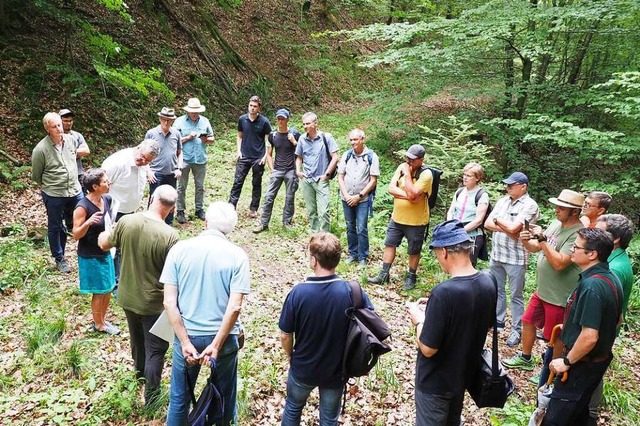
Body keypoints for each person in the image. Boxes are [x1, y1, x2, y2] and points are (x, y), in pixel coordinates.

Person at [162, 201, 250, 425]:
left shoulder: (179, 249)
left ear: (206, 221)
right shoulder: (238, 256)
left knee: (179, 398)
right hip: (224, 338)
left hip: (188, 335)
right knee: (225, 395)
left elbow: (169, 302)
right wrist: (217, 345)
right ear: (230, 227)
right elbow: (235, 307)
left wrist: (183, 341)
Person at [279, 232, 375, 426]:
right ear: (337, 260)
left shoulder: (298, 293)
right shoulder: (352, 291)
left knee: (293, 408)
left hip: (303, 368)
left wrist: (291, 355)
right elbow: (370, 322)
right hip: (335, 370)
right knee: (329, 419)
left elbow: (285, 335)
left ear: (314, 261)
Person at [406, 220, 496, 426]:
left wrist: (419, 319)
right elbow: (482, 320)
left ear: (444, 251)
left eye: (437, 253)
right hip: (462, 377)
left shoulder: (445, 292)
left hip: (435, 383)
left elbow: (428, 348)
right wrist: (438, 309)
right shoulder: (488, 281)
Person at [98, 185, 179, 407]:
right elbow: (174, 275)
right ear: (171, 210)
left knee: (137, 341)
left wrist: (106, 232)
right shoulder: (171, 236)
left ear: (152, 198)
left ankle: (138, 379)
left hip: (127, 297)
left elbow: (104, 244)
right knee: (156, 350)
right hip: (154, 303)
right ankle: (151, 400)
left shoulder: (127, 222)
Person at [543, 228, 622, 426]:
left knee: (557, 417)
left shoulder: (592, 287)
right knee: (578, 413)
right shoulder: (611, 278)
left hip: (580, 366)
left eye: (576, 247)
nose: (571, 249)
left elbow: (590, 336)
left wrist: (567, 362)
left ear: (592, 254)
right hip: (595, 362)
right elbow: (618, 319)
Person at [503, 189, 584, 376]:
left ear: (574, 212)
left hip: (559, 295)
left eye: (562, 208)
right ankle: (525, 357)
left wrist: (542, 240)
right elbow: (535, 247)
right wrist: (525, 240)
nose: (556, 210)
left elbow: (559, 263)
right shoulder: (556, 224)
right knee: (528, 321)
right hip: (543, 290)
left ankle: (551, 372)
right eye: (557, 206)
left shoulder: (578, 233)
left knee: (555, 337)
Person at [483, 171, 539, 347]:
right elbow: (487, 224)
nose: (507, 188)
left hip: (516, 256)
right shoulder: (503, 201)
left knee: (516, 294)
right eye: (507, 185)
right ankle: (498, 321)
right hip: (497, 253)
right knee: (497, 289)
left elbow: (516, 228)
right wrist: (508, 228)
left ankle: (517, 329)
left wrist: (499, 221)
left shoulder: (530, 205)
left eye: (511, 185)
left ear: (523, 187)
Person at [588, 214, 634, 422]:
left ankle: (590, 412)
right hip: (600, 332)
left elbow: (614, 314)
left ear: (614, 239)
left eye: (600, 230)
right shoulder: (614, 260)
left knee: (591, 370)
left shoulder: (613, 269)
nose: (594, 233)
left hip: (597, 333)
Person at [368, 144, 432, 290]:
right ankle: (384, 274)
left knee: (413, 250)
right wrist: (410, 196)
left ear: (421, 160)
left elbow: (412, 192)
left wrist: (408, 176)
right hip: (397, 218)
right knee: (389, 244)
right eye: (407, 158)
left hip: (416, 222)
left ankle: (411, 276)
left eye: (413, 160)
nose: (408, 161)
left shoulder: (426, 174)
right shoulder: (402, 167)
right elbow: (391, 188)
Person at [31, 112, 83, 273]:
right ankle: (59, 258)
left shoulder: (71, 140)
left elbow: (74, 160)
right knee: (56, 226)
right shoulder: (41, 149)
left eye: (59, 125)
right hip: (54, 193)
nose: (59, 129)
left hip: (75, 190)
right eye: (54, 126)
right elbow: (36, 176)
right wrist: (50, 186)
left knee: (83, 219)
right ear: (47, 129)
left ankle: (87, 254)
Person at [72, 168, 119, 335]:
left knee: (107, 288)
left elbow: (108, 221)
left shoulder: (106, 199)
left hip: (105, 251)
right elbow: (76, 235)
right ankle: (98, 324)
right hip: (90, 255)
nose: (109, 183)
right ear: (94, 186)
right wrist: (88, 223)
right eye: (105, 182)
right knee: (99, 291)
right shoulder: (82, 207)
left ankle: (102, 320)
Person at [253, 109, 301, 233]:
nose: (280, 121)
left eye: (283, 118)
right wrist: (272, 169)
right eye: (278, 118)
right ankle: (263, 223)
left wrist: (294, 142)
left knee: (289, 198)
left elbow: (302, 151)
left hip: (291, 170)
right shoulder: (272, 135)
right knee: (269, 197)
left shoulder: (294, 133)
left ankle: (287, 223)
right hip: (277, 170)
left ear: (288, 119)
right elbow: (269, 154)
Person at [336, 129, 379, 267]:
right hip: (346, 198)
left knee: (361, 227)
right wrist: (347, 195)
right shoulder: (346, 155)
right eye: (351, 140)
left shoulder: (371, 156)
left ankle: (363, 257)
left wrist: (358, 196)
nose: (353, 142)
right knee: (350, 226)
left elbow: (373, 181)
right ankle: (353, 254)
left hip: (363, 199)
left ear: (363, 139)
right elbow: (340, 176)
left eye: (356, 139)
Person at [295, 112, 339, 232]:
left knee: (324, 211)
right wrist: (298, 171)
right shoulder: (302, 139)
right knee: (311, 211)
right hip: (307, 179)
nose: (305, 126)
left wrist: (327, 175)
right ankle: (314, 236)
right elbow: (299, 157)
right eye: (303, 124)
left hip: (321, 180)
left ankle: (325, 238)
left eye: (308, 123)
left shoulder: (326, 137)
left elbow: (335, 157)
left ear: (315, 123)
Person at [229, 95, 272, 217]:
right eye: (250, 105)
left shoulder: (264, 122)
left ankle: (253, 209)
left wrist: (265, 156)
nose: (252, 108)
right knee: (237, 182)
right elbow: (239, 135)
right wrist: (238, 151)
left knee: (256, 183)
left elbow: (269, 140)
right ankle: (231, 206)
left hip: (258, 158)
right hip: (244, 156)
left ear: (259, 108)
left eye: (255, 106)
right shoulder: (242, 119)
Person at [173, 98, 215, 224]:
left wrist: (206, 140)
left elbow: (212, 137)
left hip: (200, 159)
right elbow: (174, 141)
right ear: (188, 111)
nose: (194, 113)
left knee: (200, 186)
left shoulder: (205, 121)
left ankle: (199, 209)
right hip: (184, 158)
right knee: (181, 187)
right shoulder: (179, 122)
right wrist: (188, 137)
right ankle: (180, 211)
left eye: (196, 111)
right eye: (192, 111)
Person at [101, 139, 160, 221]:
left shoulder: (142, 162)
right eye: (142, 156)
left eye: (148, 161)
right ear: (138, 147)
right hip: (114, 211)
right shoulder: (116, 163)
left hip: (131, 211)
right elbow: (99, 187)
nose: (143, 161)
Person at [446, 162, 490, 266]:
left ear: (477, 178)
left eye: (469, 176)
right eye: (464, 175)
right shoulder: (459, 192)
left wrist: (461, 231)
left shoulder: (482, 195)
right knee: (453, 264)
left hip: (472, 236)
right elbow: (451, 211)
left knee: (467, 266)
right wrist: (450, 226)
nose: (465, 178)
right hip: (455, 232)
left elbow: (479, 220)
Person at [145, 107, 182, 225]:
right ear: (160, 119)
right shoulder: (151, 133)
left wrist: (179, 168)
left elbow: (180, 152)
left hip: (171, 173)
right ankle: (151, 222)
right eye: (164, 119)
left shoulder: (176, 133)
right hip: (156, 173)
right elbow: (143, 154)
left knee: (170, 199)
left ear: (172, 121)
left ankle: (168, 223)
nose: (166, 122)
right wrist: (148, 171)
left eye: (169, 120)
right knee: (154, 198)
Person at [59, 108, 90, 192]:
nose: (68, 123)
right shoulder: (56, 136)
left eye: (70, 121)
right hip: (63, 175)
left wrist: (70, 153)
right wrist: (76, 153)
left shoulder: (77, 135)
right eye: (65, 121)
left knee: (83, 199)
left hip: (78, 173)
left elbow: (86, 151)